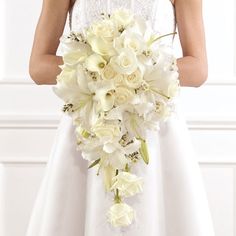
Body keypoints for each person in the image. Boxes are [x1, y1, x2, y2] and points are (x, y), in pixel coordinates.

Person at [26, 0, 216, 235]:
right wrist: (103, 69)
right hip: (89, 126)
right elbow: (38, 66)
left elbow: (198, 68)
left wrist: (136, 71)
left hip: (153, 125)